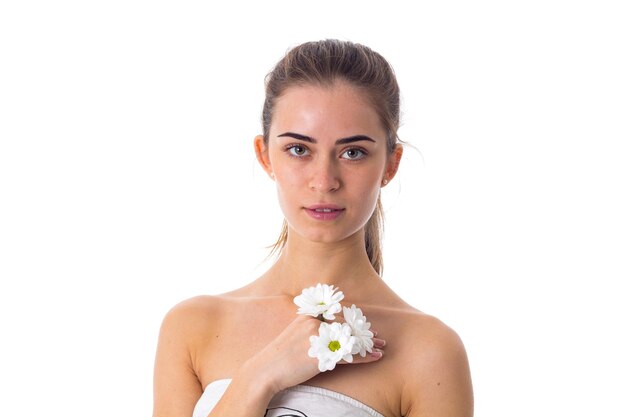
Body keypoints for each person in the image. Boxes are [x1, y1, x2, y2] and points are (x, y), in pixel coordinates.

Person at [153, 39, 473, 417]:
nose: (324, 181)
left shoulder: (429, 351)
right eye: (299, 150)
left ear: (390, 164)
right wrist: (263, 375)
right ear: (264, 155)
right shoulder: (193, 327)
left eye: (352, 152)